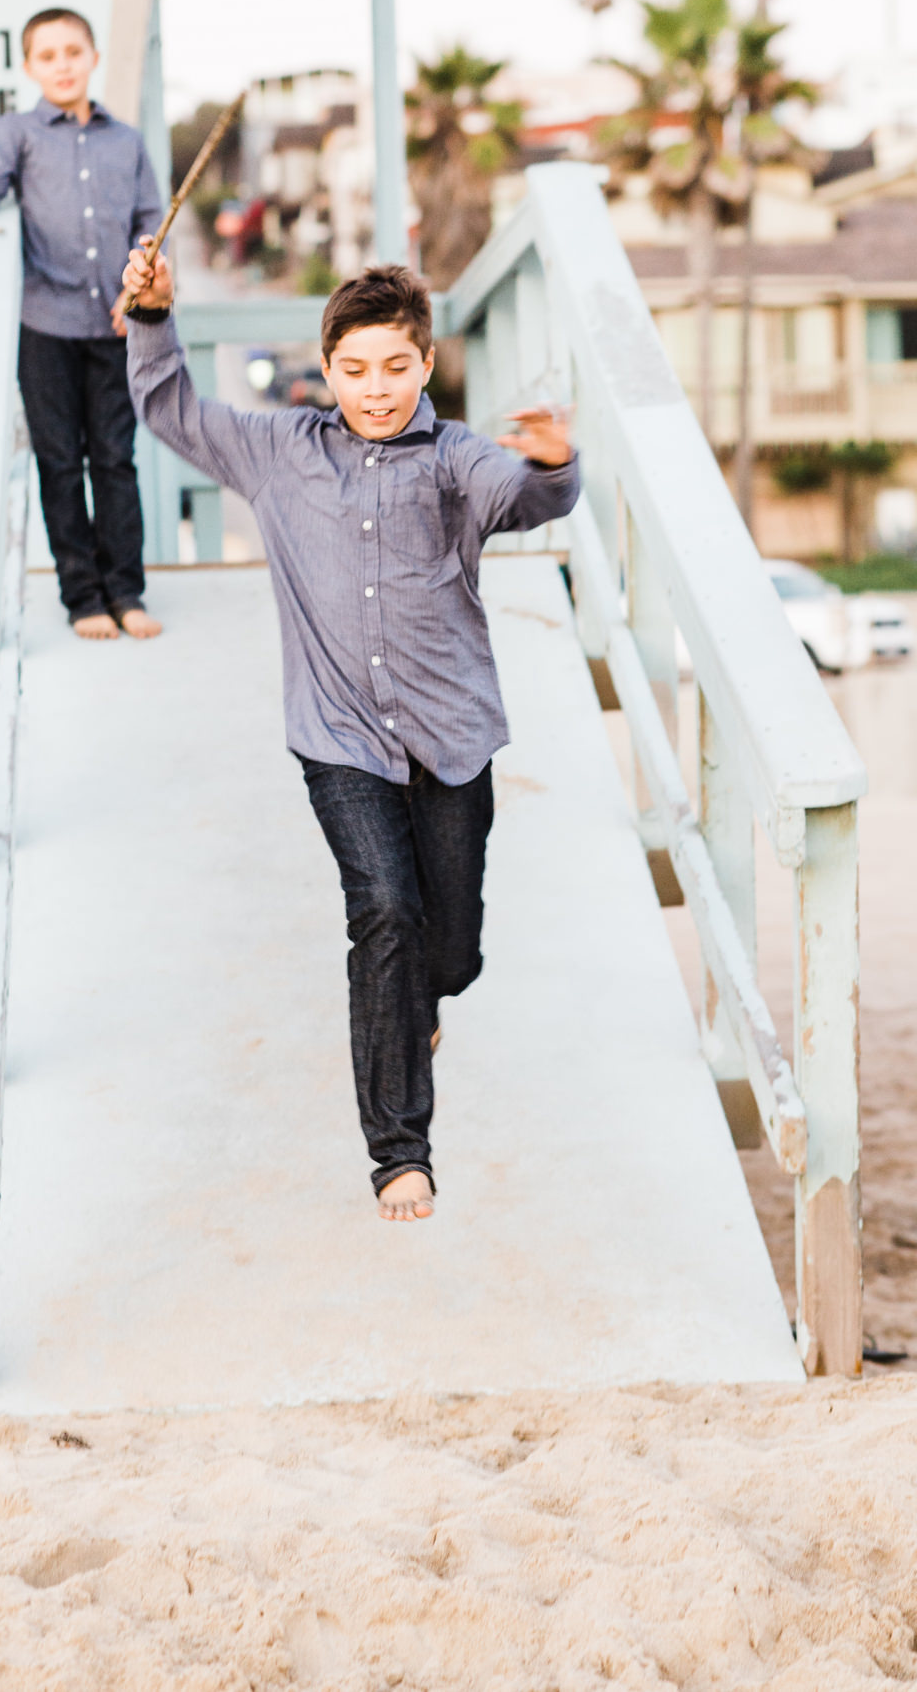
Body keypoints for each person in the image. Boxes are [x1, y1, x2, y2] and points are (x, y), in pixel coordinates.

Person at [119, 251, 580, 1221]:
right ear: (326, 370)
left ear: (424, 368)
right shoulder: (278, 450)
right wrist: (156, 318)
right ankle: (397, 1152)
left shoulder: (455, 458)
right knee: (381, 910)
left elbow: (519, 496)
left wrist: (549, 466)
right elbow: (172, 412)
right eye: (356, 370)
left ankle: (426, 1001)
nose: (376, 390)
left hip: (452, 735)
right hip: (338, 739)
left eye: (395, 368)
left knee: (448, 952)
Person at [0, 9, 164, 642]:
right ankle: (83, 598)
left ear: (94, 56)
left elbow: (149, 217)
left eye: (74, 51)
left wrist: (138, 286)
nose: (63, 64)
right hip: (45, 324)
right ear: (30, 68)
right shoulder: (16, 133)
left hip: (116, 328)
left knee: (114, 459)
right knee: (58, 460)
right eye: (48, 56)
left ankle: (126, 591)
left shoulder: (126, 140)